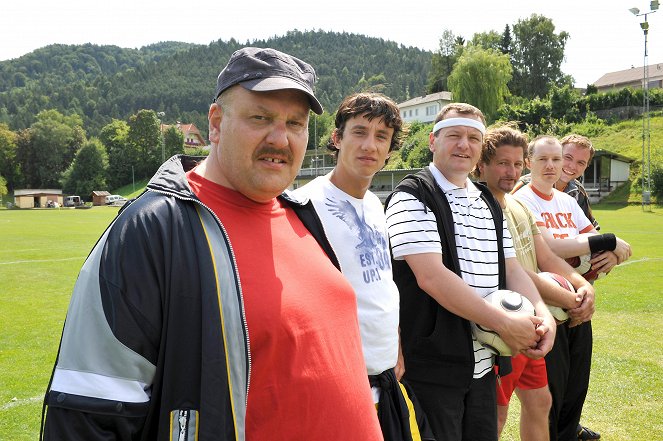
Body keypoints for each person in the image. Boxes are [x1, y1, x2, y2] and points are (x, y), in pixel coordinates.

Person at [42, 47, 383, 440]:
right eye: (261, 117)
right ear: (216, 123)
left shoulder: (303, 215)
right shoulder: (153, 229)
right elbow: (88, 410)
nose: (280, 138)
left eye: (295, 123)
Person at [385, 103, 556, 441]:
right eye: (454, 136)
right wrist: (505, 324)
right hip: (431, 370)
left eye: (473, 138)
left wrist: (543, 314)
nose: (464, 145)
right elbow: (431, 277)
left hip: (482, 368)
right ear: (433, 141)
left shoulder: (486, 199)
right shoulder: (412, 195)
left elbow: (511, 266)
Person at [293, 92, 434, 441]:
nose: (370, 145)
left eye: (381, 136)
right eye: (359, 132)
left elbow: (380, 284)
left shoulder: (375, 204)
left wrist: (395, 341)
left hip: (383, 378)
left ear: (390, 149)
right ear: (337, 138)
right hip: (337, 385)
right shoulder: (305, 206)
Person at [475, 125, 596, 441]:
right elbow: (513, 271)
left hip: (534, 324)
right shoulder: (478, 208)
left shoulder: (517, 205)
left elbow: (545, 257)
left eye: (516, 164)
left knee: (540, 401)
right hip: (505, 326)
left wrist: (582, 286)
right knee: (496, 413)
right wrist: (570, 301)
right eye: (503, 163)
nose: (511, 171)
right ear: (482, 164)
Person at [512, 136, 631, 441]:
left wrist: (610, 251)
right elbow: (548, 252)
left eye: (557, 159)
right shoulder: (522, 200)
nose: (555, 166)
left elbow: (591, 238)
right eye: (545, 159)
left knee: (575, 389)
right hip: (546, 307)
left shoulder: (569, 200)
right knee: (550, 394)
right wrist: (608, 242)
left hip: (577, 301)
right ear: (529, 163)